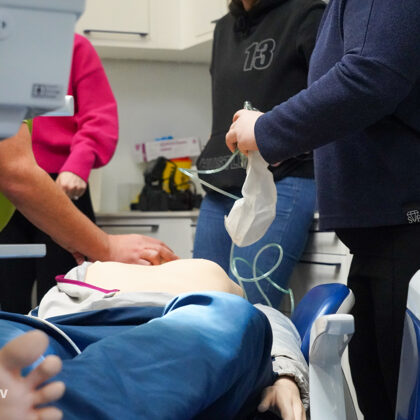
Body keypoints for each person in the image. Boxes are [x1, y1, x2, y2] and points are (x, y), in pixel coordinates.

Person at [225, 0, 420, 418]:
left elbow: (370, 77)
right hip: (379, 235)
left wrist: (269, 130)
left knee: (399, 398)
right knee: (382, 396)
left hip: (404, 231)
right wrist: (282, 139)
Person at [0, 258, 309, 420]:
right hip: (54, 329)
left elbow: (271, 323)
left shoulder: (227, 302)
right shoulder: (85, 276)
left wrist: (286, 376)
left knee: (234, 313)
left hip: (188, 343)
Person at [194, 0, 325, 308]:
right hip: (220, 186)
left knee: (243, 312)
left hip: (284, 180)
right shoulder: (224, 28)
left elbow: (329, 105)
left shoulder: (308, 15)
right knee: (197, 308)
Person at [0, 34, 120, 313]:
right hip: (8, 189)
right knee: (6, 304)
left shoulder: (73, 47)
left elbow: (99, 114)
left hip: (63, 188)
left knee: (67, 303)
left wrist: (77, 165)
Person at [0, 123, 177, 267]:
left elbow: (98, 119)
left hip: (54, 188)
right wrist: (108, 247)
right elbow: (15, 172)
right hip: (27, 188)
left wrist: (77, 164)